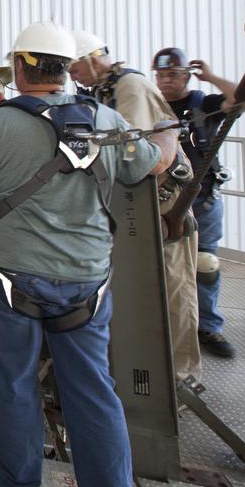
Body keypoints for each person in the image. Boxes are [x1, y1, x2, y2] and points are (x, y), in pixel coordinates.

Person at [0, 21, 176, 487]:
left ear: (23, 65)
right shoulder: (107, 121)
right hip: (86, 285)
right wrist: (168, 132)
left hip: (13, 279)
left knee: (14, 381)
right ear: (66, 68)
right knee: (93, 393)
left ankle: (17, 483)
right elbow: (155, 164)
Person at [70, 31, 203, 383]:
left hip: (163, 202)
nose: (73, 76)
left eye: (75, 68)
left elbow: (135, 151)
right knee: (149, 287)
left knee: (173, 285)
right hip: (138, 203)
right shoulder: (105, 89)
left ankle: (182, 373)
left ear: (92, 59)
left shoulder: (129, 88)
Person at [153, 47, 242, 358]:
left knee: (205, 264)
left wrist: (212, 76)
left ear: (187, 76)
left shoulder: (203, 104)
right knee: (161, 266)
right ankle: (168, 325)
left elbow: (243, 100)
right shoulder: (151, 107)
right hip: (161, 200)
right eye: (161, 75)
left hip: (201, 199)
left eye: (173, 75)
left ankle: (209, 327)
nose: (166, 81)